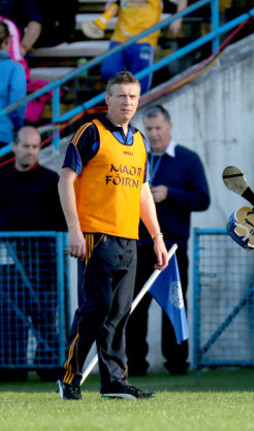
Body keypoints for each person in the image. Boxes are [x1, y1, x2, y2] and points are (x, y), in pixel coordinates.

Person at [57, 71, 168, 401]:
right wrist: (74, 230)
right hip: (95, 234)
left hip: (128, 238)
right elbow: (65, 181)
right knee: (97, 307)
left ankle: (114, 383)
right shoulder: (90, 133)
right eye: (120, 96)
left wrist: (156, 235)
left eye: (132, 96)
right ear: (107, 99)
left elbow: (143, 192)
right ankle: (69, 376)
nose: (127, 102)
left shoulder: (139, 141)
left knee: (119, 313)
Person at [126, 104, 210, 376]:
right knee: (135, 306)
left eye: (158, 128)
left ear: (169, 127)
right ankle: (135, 364)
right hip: (139, 245)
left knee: (173, 304)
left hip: (174, 247)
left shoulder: (188, 159)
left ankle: (176, 364)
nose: (153, 134)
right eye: (148, 129)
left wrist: (170, 193)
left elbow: (202, 200)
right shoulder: (136, 157)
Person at [0, 126, 66, 382]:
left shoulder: (51, 180)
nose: (30, 151)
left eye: (35, 147)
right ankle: (11, 368)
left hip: (43, 262)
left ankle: (48, 366)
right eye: (26, 146)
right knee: (9, 316)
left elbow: (63, 221)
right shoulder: (2, 178)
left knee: (45, 314)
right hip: (8, 262)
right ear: (14, 146)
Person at [100, 0, 187, 94]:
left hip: (144, 39)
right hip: (120, 37)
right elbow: (111, 3)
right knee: (108, 71)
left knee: (140, 83)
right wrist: (109, 6)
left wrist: (178, 18)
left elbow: (182, 1)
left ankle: (134, 104)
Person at [0, 20, 26, 146]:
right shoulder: (15, 68)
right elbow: (17, 104)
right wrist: (18, 127)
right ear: (7, 41)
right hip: (3, 134)